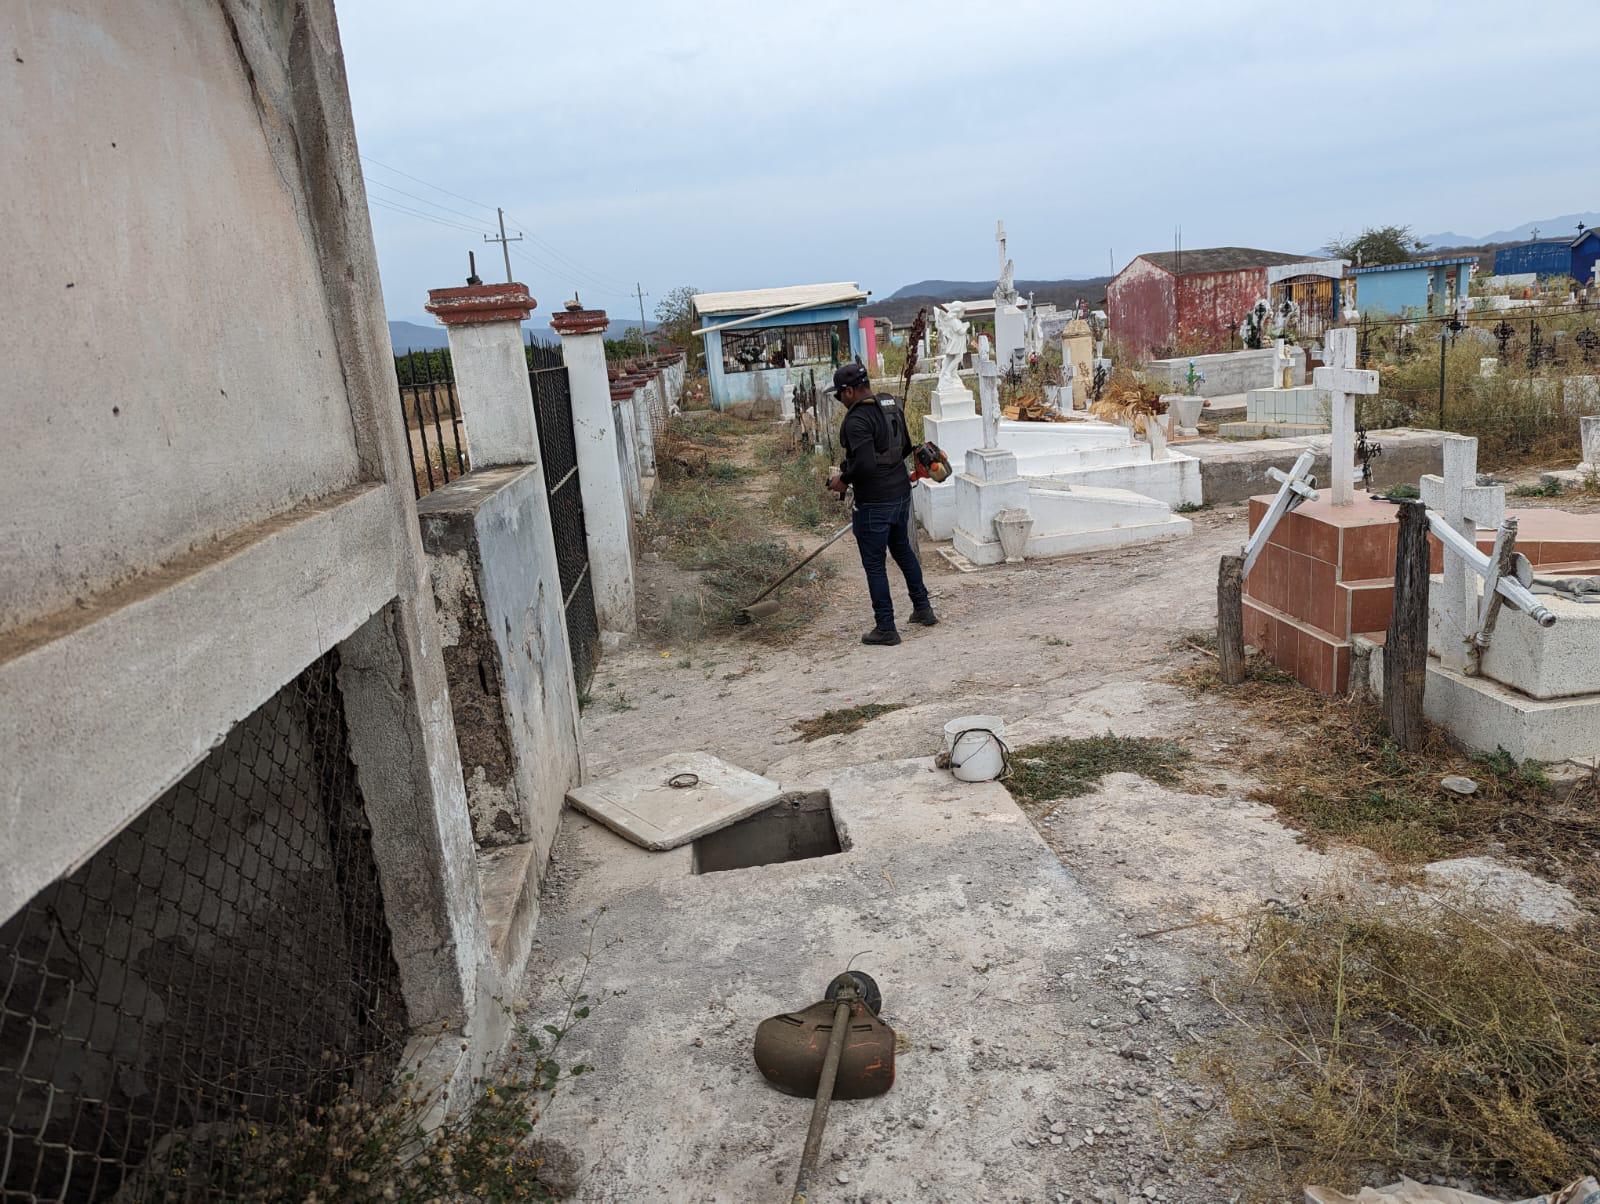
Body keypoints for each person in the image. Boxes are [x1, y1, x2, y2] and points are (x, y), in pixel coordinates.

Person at [825, 362, 937, 646]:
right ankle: (923, 609)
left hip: (875, 502)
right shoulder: (890, 405)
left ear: (849, 391)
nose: (840, 402)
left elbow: (863, 464)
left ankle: (886, 627)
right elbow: (904, 447)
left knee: (875, 565)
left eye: (839, 396)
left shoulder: (857, 419)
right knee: (903, 551)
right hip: (900, 494)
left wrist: (843, 479)